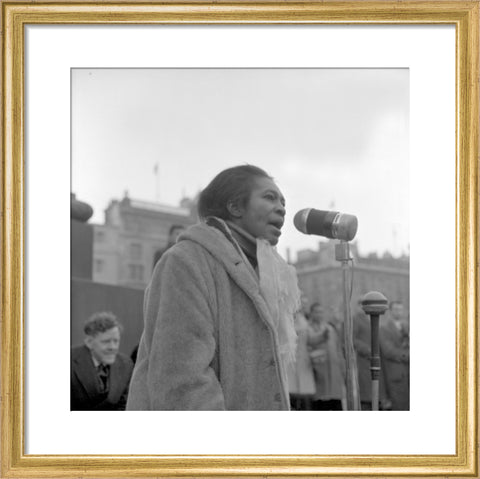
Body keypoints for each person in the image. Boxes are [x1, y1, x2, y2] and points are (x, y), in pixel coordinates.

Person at [127, 165, 300, 410]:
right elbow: (182, 381)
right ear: (235, 207)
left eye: (283, 201)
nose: (282, 208)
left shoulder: (266, 273)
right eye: (270, 197)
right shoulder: (186, 260)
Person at [71, 312, 134, 410]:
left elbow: (124, 405)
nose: (112, 347)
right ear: (89, 342)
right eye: (106, 342)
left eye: (116, 341)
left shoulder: (126, 364)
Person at [307, 302, 345, 410]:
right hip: (318, 373)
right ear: (311, 313)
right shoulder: (307, 329)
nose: (319, 314)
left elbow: (338, 350)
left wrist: (342, 368)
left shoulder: (330, 328)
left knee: (336, 403)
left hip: (334, 372)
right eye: (317, 312)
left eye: (321, 312)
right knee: (320, 404)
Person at [379, 301, 409, 410]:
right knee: (399, 408)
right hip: (395, 376)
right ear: (390, 311)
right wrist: (408, 356)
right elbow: (389, 351)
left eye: (400, 309)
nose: (398, 312)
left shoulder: (408, 327)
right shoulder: (383, 328)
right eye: (396, 309)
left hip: (409, 375)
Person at [287, 294, 315, 410]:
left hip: (304, 358)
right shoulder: (290, 319)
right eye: (301, 303)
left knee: (304, 389)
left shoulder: (304, 320)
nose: (303, 306)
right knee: (292, 387)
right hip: (292, 357)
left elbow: (310, 338)